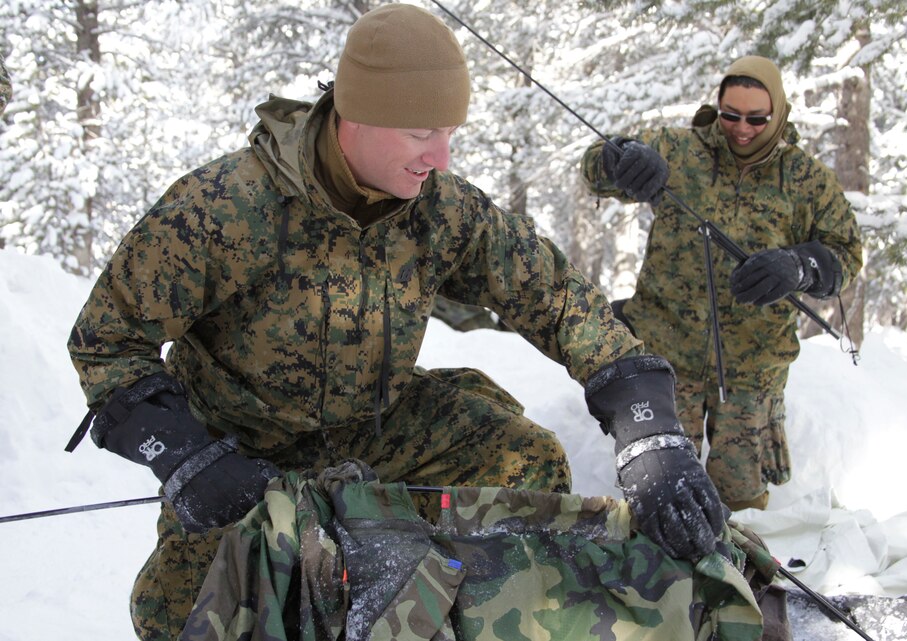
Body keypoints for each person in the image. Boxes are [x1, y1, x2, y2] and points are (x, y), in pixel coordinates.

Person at [66, 5, 724, 640]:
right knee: (184, 617)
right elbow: (107, 344)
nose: (438, 157)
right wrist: (188, 457)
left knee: (523, 460)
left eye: (448, 133)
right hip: (241, 455)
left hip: (376, 426)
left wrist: (650, 428)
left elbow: (553, 296)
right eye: (419, 133)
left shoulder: (441, 209)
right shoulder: (225, 210)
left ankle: (464, 615)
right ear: (355, 116)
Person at [581, 55, 863, 512]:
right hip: (668, 358)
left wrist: (799, 266)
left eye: (757, 118)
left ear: (779, 113)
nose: (742, 128)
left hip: (754, 370)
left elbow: (846, 253)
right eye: (731, 114)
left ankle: (743, 580)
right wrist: (621, 159)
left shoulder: (807, 180)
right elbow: (594, 168)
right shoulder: (678, 149)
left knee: (743, 502)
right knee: (660, 493)